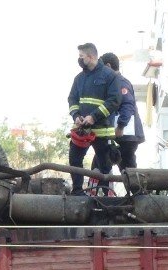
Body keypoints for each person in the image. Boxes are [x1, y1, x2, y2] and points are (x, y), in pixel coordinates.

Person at [67, 42, 120, 195]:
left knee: (105, 166)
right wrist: (76, 116)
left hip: (102, 130)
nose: (79, 59)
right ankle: (77, 191)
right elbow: (72, 99)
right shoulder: (79, 78)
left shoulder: (110, 76)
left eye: (81, 57)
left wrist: (93, 116)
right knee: (75, 160)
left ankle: (104, 196)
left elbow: (114, 100)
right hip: (82, 130)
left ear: (90, 57)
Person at [99, 52, 145, 169]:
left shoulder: (120, 83)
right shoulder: (114, 83)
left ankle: (135, 187)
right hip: (118, 133)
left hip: (125, 134)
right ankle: (103, 186)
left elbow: (127, 105)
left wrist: (121, 126)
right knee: (103, 163)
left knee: (127, 169)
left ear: (108, 66)